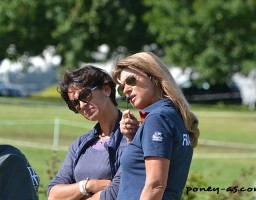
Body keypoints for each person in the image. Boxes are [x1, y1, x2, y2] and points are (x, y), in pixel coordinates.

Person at [112, 52, 200, 200]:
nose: (126, 90)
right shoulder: (172, 115)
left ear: (154, 78)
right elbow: (141, 173)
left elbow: (155, 186)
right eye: (122, 87)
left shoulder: (157, 118)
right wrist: (134, 138)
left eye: (131, 80)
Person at [47, 65, 130, 200]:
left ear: (106, 89)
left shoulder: (131, 138)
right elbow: (53, 195)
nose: (82, 105)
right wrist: (88, 185)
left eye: (85, 95)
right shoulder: (79, 144)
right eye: (75, 103)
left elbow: (116, 193)